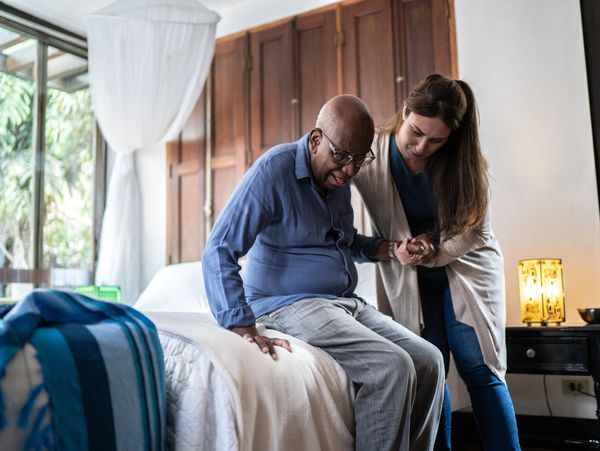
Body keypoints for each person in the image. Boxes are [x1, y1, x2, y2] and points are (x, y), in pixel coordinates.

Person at [203, 94, 445, 451]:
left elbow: (344, 242)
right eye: (342, 156)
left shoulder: (336, 182)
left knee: (429, 361)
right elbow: (219, 249)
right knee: (391, 368)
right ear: (316, 140)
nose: (349, 170)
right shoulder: (273, 171)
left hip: (343, 302)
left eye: (359, 159)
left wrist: (389, 248)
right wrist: (241, 324)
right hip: (287, 304)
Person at [353, 74, 520, 451]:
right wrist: (390, 248)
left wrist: (434, 248)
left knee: (479, 366)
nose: (422, 146)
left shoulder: (463, 163)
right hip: (408, 271)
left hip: (466, 267)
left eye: (436, 140)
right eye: (416, 132)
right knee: (429, 369)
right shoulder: (371, 153)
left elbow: (474, 231)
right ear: (405, 111)